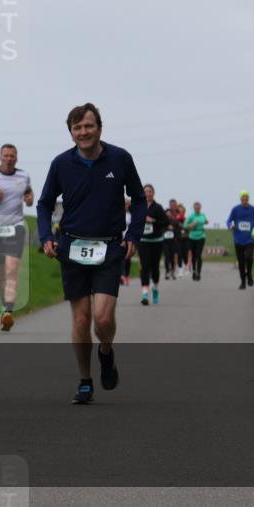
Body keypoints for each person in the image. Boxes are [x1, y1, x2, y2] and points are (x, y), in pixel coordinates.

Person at [36, 102, 145, 405]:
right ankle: (85, 380)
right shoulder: (61, 164)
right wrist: (46, 236)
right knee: (81, 320)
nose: (83, 132)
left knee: (103, 318)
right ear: (70, 132)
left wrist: (133, 234)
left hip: (109, 247)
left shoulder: (120, 159)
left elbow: (138, 199)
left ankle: (106, 352)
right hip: (71, 246)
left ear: (99, 127)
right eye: (77, 128)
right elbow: (44, 204)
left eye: (88, 126)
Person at [0, 144, 34, 331]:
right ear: (0, 157)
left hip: (15, 227)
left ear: (16, 158)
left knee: (12, 269)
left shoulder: (23, 176)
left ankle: (8, 311)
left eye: (12, 156)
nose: (9, 159)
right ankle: (3, 302)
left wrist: (29, 199)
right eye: (6, 155)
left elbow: (28, 193)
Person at [137, 184, 168, 305]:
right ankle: (145, 293)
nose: (148, 194)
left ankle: (155, 288)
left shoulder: (158, 208)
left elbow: (166, 222)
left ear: (153, 193)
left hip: (156, 241)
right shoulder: (139, 206)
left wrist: (153, 221)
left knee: (154, 267)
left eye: (150, 191)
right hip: (143, 241)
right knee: (144, 266)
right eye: (146, 191)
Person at [226, 190, 254, 290]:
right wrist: (230, 225)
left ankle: (249, 275)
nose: (245, 201)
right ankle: (243, 282)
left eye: (246, 199)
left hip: (250, 239)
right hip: (238, 239)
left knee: (249, 257)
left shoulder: (253, 209)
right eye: (243, 199)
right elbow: (228, 220)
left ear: (248, 199)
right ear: (240, 199)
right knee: (241, 262)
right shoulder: (235, 209)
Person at [184, 201, 209, 281]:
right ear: (194, 208)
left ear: (200, 208)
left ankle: (199, 273)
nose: (197, 209)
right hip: (192, 237)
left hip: (201, 236)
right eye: (196, 208)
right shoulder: (191, 216)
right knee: (194, 256)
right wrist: (192, 225)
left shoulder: (202, 215)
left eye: (198, 207)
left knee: (198, 255)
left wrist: (206, 222)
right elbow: (185, 226)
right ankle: (194, 272)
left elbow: (205, 221)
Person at [163, 200, 182, 281]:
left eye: (174, 204)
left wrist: (173, 228)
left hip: (173, 241)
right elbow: (160, 228)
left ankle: (173, 272)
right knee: (166, 256)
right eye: (171, 205)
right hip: (165, 241)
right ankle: (167, 271)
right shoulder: (163, 220)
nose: (169, 214)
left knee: (172, 257)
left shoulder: (175, 220)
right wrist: (167, 228)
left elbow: (179, 228)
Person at [174, 201, 188, 278]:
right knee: (179, 254)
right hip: (178, 238)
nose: (181, 211)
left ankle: (186, 265)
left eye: (182, 210)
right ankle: (180, 269)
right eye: (179, 210)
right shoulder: (175, 218)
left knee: (184, 254)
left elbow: (188, 228)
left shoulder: (187, 219)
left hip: (185, 238)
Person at [121, 198, 133, 286]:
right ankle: (122, 276)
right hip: (119, 239)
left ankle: (126, 275)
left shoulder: (131, 215)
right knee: (120, 258)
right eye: (124, 204)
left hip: (128, 239)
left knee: (127, 258)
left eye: (127, 204)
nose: (126, 206)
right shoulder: (118, 214)